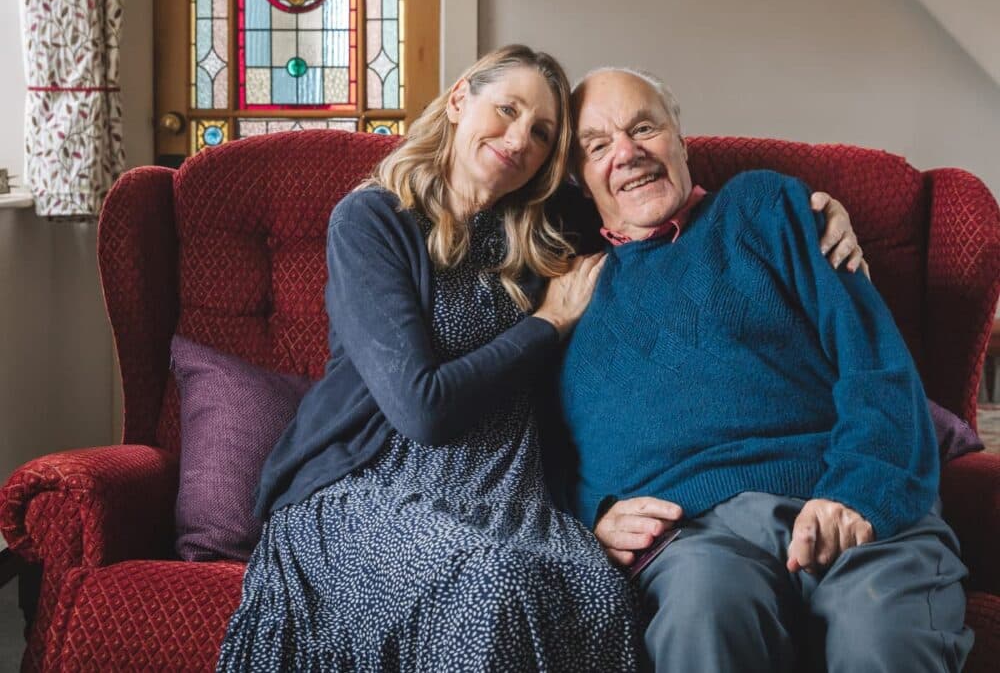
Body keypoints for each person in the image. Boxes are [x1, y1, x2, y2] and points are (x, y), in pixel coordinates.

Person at [217, 46, 859, 672]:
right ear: (462, 98)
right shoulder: (373, 220)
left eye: (543, 132)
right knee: (491, 585)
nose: (520, 137)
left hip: (510, 489)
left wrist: (809, 214)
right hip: (372, 482)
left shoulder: (547, 227)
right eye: (507, 109)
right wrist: (548, 323)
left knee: (599, 590)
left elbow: (656, 199)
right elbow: (422, 408)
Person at [557, 67, 973, 672]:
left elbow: (877, 365)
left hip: (841, 491)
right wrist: (593, 516)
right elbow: (544, 450)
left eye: (643, 127)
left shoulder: (765, 207)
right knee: (703, 617)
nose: (626, 153)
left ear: (680, 137)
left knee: (877, 635)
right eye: (597, 146)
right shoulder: (569, 297)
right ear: (580, 177)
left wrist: (856, 494)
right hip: (694, 538)